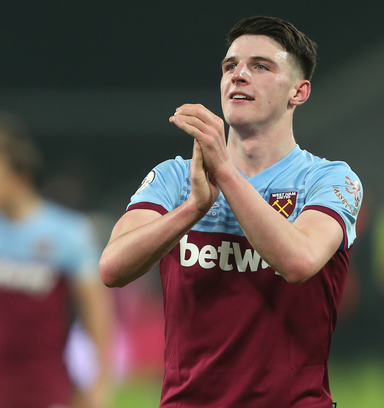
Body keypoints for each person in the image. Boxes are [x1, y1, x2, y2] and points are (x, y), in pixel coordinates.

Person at [99, 16, 362, 408]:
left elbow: (299, 260)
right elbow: (112, 268)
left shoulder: (329, 179)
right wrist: (192, 209)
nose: (238, 75)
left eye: (260, 66)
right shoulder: (176, 178)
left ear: (299, 92)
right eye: (230, 66)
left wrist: (223, 170)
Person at [0, 111, 114, 408]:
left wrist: (100, 382)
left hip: (49, 390)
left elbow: (97, 313)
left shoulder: (69, 234)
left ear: (15, 170)